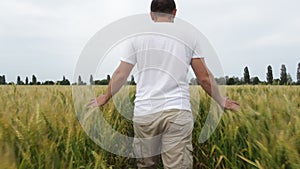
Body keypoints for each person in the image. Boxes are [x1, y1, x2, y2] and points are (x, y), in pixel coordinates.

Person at [88, 0, 240, 168]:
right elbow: (203, 77)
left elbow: (121, 74)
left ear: (151, 14)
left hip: (145, 112)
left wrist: (106, 97)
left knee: (146, 165)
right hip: (177, 111)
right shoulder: (189, 35)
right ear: (174, 12)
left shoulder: (137, 37)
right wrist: (221, 100)